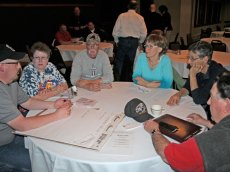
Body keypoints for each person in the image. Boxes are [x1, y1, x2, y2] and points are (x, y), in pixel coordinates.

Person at [0, 45, 72, 171]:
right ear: (2, 66)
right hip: (3, 146)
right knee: (46, 163)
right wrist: (56, 115)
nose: (19, 66)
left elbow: (27, 102)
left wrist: (53, 105)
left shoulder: (11, 82)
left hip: (13, 135)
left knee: (52, 148)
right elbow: (22, 125)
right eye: (15, 63)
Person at [144, 71, 230, 172]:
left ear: (227, 103)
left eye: (212, 97)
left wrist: (154, 131)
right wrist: (206, 123)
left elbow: (170, 156)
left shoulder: (211, 141)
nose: (208, 102)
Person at [167, 41, 227, 118]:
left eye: (192, 58)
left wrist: (192, 75)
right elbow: (188, 86)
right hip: (201, 108)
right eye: (188, 57)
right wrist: (179, 94)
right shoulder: (199, 67)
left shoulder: (217, 75)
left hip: (214, 115)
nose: (188, 61)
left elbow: (198, 100)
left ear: (205, 59)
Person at [112, 0, 147, 81]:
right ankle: (130, 81)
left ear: (128, 6)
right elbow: (144, 33)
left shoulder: (121, 16)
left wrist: (116, 41)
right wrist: (140, 42)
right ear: (136, 7)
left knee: (119, 62)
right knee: (132, 63)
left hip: (123, 41)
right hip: (134, 41)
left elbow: (115, 31)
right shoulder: (140, 18)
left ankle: (116, 81)